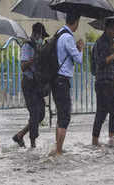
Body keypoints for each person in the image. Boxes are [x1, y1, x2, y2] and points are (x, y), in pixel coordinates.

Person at [50, 13, 84, 156]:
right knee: (65, 117)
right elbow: (79, 59)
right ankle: (58, 151)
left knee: (60, 115)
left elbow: (63, 54)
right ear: (75, 22)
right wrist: (80, 48)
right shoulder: (68, 37)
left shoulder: (59, 33)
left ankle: (57, 148)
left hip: (55, 79)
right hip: (63, 81)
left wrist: (74, 48)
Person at [12, 22, 49, 148]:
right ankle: (33, 144)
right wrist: (34, 58)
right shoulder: (27, 46)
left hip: (37, 84)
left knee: (41, 114)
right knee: (34, 113)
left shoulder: (39, 47)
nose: (42, 40)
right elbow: (23, 67)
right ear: (36, 34)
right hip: (28, 84)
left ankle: (20, 135)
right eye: (41, 37)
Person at [92, 19, 114, 147]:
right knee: (111, 110)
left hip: (109, 80)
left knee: (104, 111)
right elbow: (101, 63)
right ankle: (106, 139)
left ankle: (99, 140)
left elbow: (109, 61)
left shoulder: (110, 42)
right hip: (103, 82)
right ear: (107, 29)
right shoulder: (101, 43)